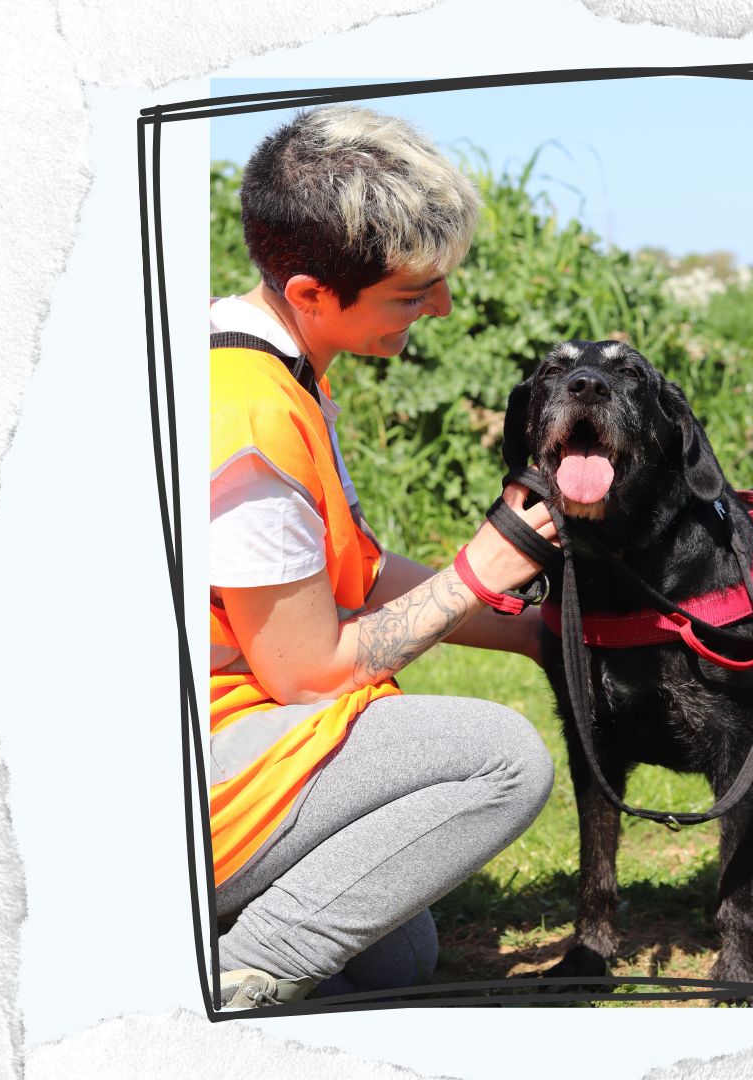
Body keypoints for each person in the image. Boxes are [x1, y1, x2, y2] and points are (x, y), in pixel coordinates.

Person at [209, 104, 558, 1009]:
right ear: (310, 292)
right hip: (201, 761)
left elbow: (354, 574)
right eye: (411, 293)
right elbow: (307, 671)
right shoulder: (248, 416)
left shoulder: (271, 368)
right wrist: (479, 573)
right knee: (503, 759)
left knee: (394, 957)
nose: (441, 308)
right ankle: (226, 984)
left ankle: (224, 931)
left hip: (229, 738)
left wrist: (538, 629)